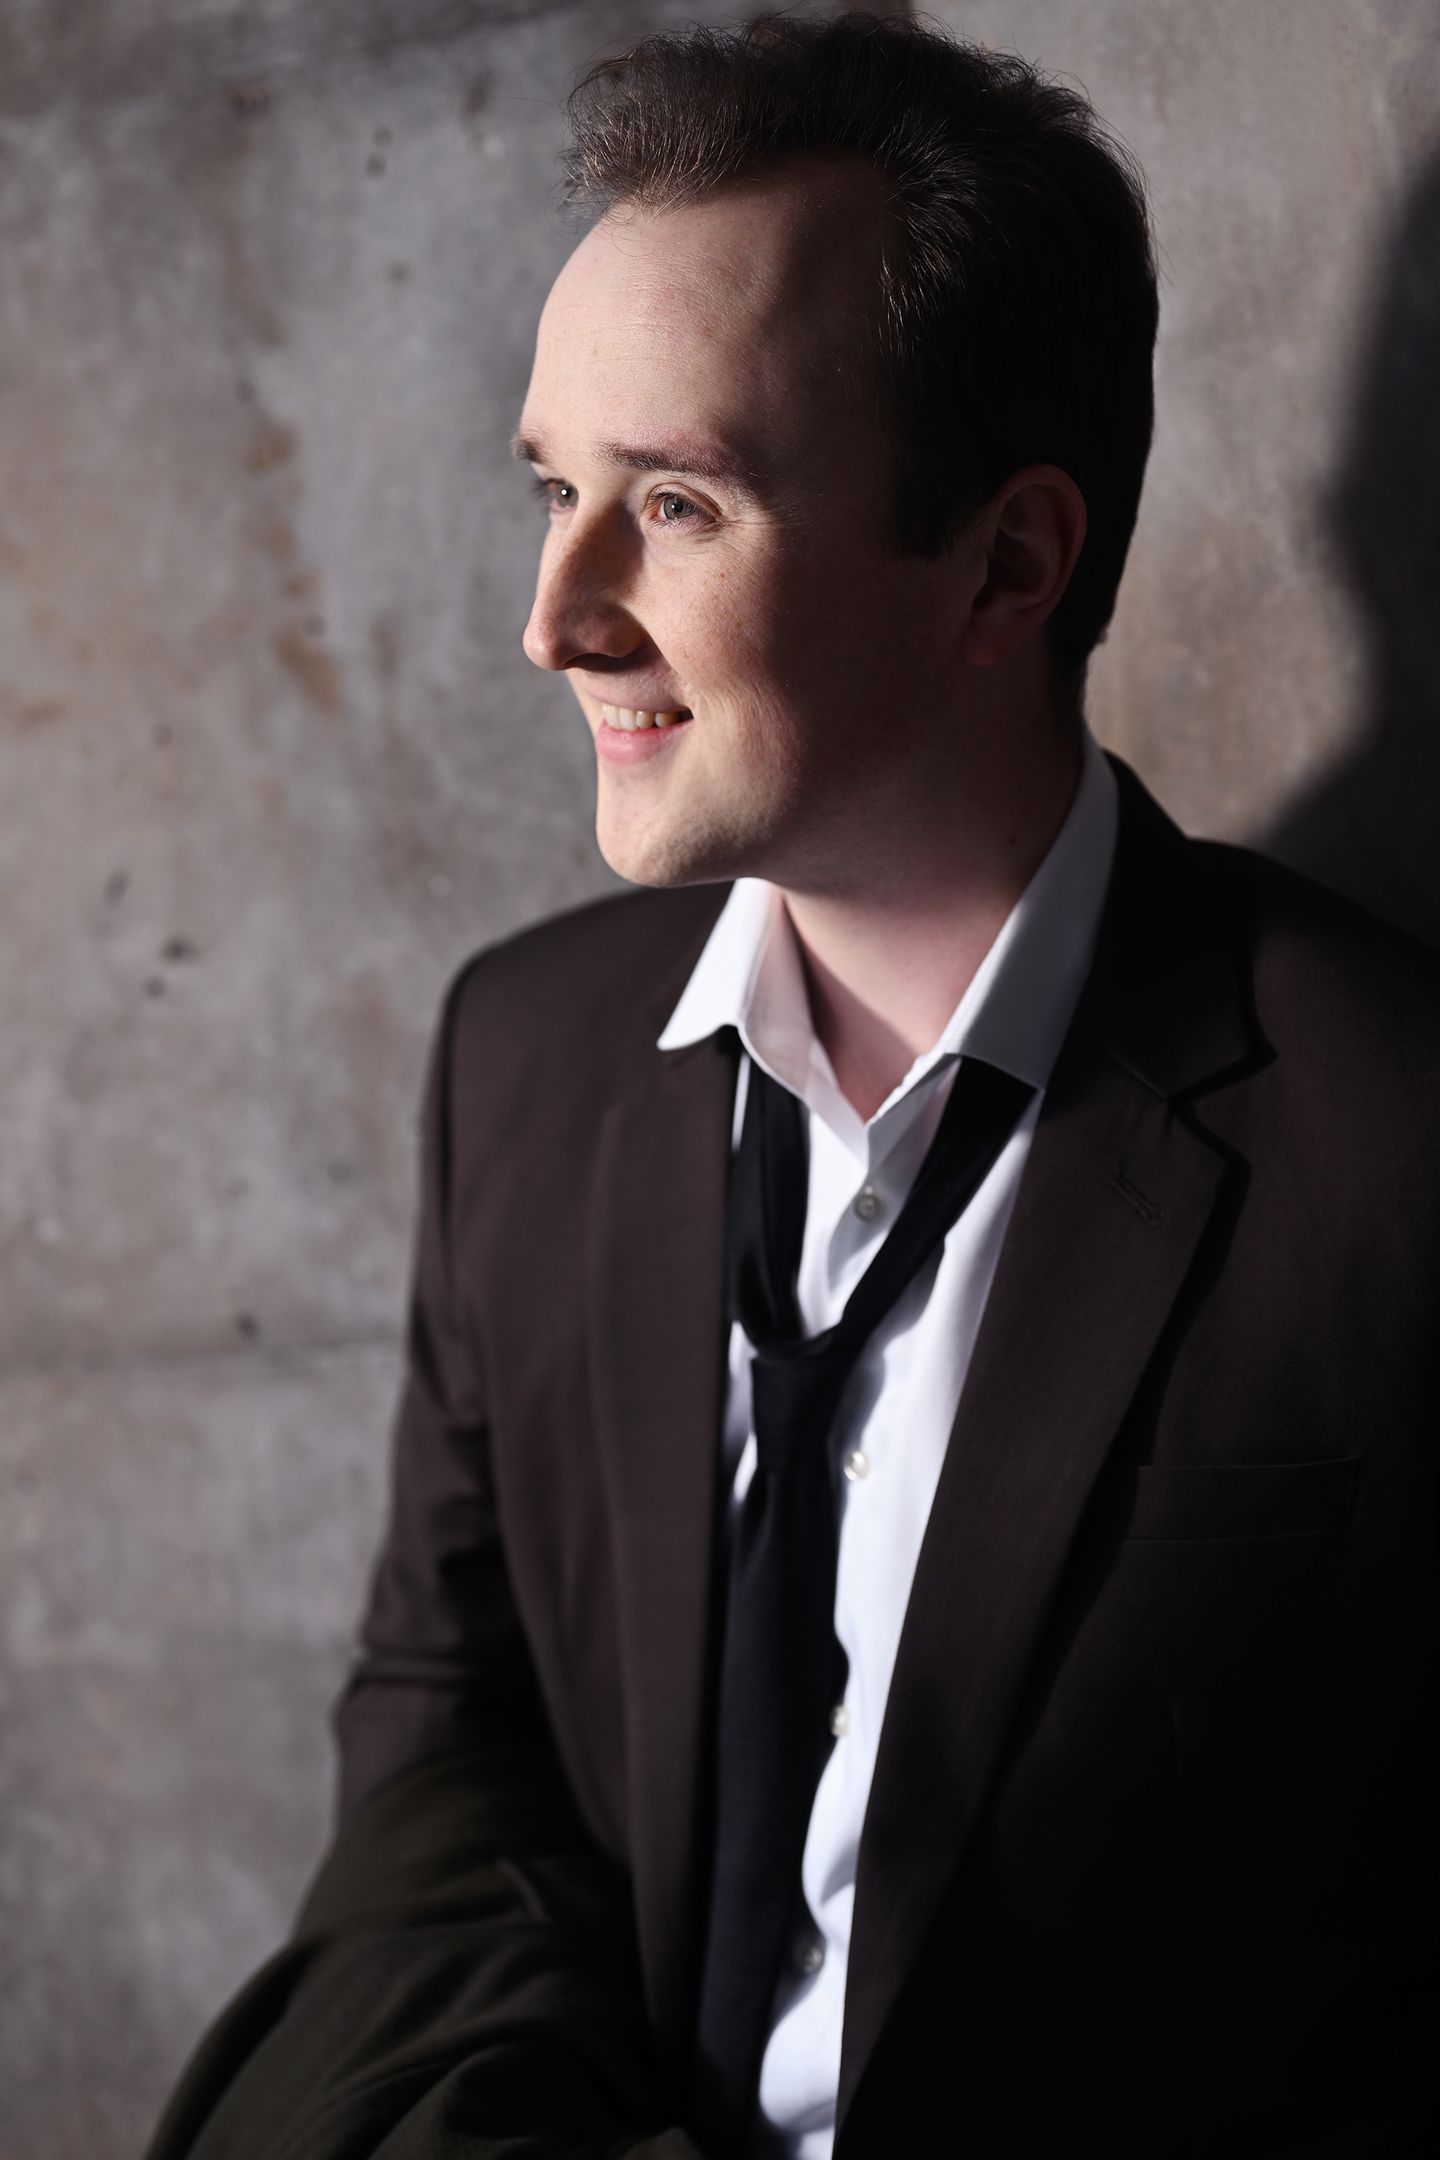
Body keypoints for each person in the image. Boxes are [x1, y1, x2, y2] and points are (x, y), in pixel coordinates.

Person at [147, 14, 1437, 2158]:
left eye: (676, 504)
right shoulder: (522, 1065)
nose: (556, 618)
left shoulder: (1389, 1141)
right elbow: (453, 1730)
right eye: (555, 490)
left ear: (1007, 567)